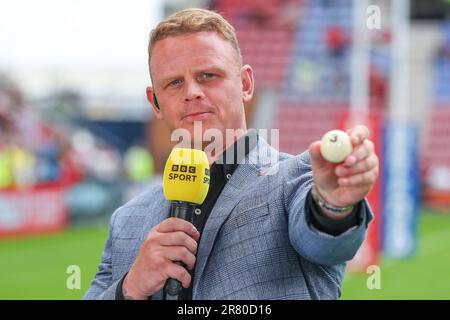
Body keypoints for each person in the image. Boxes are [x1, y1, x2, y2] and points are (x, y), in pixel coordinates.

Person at [84, 8, 378, 300]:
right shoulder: (126, 220)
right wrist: (130, 288)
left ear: (245, 84)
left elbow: (327, 244)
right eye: (174, 83)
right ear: (156, 102)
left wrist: (334, 206)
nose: (192, 92)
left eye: (208, 75)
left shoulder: (297, 180)